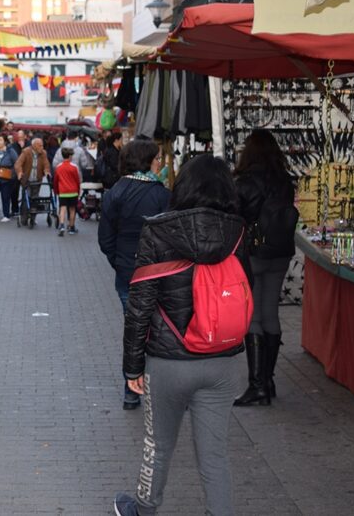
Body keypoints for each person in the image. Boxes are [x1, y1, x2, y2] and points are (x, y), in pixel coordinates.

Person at [113, 154, 252, 516]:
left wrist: (132, 367)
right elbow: (242, 290)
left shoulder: (158, 230)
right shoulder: (237, 232)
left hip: (168, 361)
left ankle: (143, 509)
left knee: (158, 445)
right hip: (222, 360)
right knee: (215, 454)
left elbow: (140, 307)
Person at [98, 139, 170, 411]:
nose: (160, 163)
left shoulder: (114, 193)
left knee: (134, 331)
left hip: (128, 274)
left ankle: (131, 390)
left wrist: (120, 263)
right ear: (147, 160)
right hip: (160, 274)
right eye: (157, 158)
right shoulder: (162, 195)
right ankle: (162, 390)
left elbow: (105, 239)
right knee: (163, 331)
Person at [233, 128, 297, 407]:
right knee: (271, 311)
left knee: (253, 315)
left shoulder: (244, 182)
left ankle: (257, 386)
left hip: (254, 253)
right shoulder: (285, 181)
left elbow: (236, 216)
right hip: (281, 252)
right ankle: (268, 380)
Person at [14, 137, 51, 224]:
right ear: (34, 146)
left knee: (35, 199)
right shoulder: (26, 152)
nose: (42, 147)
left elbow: (46, 164)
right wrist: (19, 172)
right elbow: (18, 164)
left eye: (42, 145)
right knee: (26, 199)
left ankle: (33, 218)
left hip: (37, 180)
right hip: (27, 180)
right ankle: (24, 217)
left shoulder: (43, 153)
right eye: (40, 145)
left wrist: (46, 171)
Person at [53, 147, 81, 236]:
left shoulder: (58, 167)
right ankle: (71, 227)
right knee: (72, 209)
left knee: (62, 208)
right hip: (73, 191)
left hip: (63, 191)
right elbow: (77, 180)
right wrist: (78, 191)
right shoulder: (74, 167)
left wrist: (56, 191)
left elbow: (56, 180)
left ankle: (61, 225)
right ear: (69, 156)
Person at [8, 129, 29, 216]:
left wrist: (23, 148)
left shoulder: (29, 145)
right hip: (15, 172)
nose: (19, 139)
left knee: (26, 191)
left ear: (25, 137)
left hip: (26, 171)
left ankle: (24, 210)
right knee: (14, 191)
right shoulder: (13, 146)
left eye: (21, 137)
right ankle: (14, 209)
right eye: (18, 137)